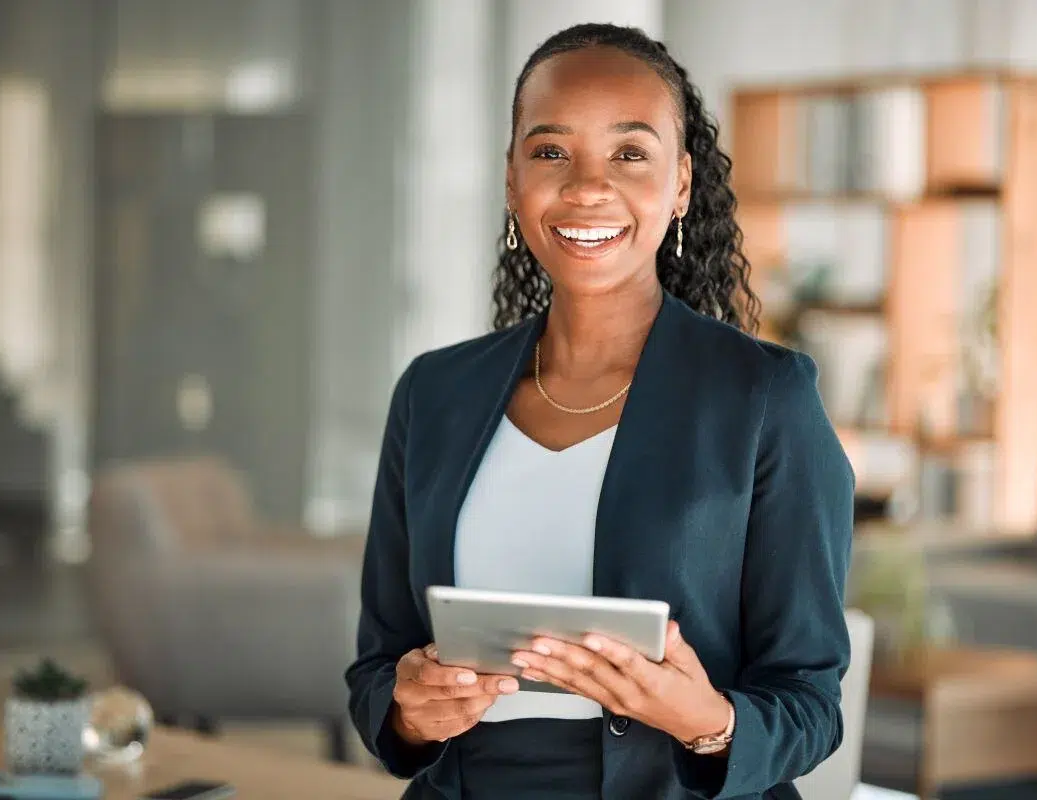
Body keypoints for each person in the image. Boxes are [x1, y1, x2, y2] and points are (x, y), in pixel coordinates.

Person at [345, 22, 854, 800]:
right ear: (512, 180)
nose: (587, 187)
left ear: (680, 184)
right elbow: (379, 664)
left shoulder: (763, 397)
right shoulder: (433, 394)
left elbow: (810, 701)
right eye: (550, 152)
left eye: (630, 153)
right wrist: (410, 712)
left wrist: (707, 720)